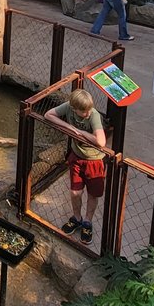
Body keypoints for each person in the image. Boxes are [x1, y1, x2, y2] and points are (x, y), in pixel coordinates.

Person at [46, 85, 108, 245]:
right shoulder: (69, 107)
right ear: (74, 109)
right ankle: (77, 217)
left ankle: (88, 221)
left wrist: (82, 133)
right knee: (75, 192)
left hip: (94, 160)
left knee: (93, 194)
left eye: (88, 109)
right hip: (77, 156)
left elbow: (101, 141)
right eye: (84, 111)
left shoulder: (93, 115)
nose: (87, 113)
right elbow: (48, 114)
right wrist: (70, 127)